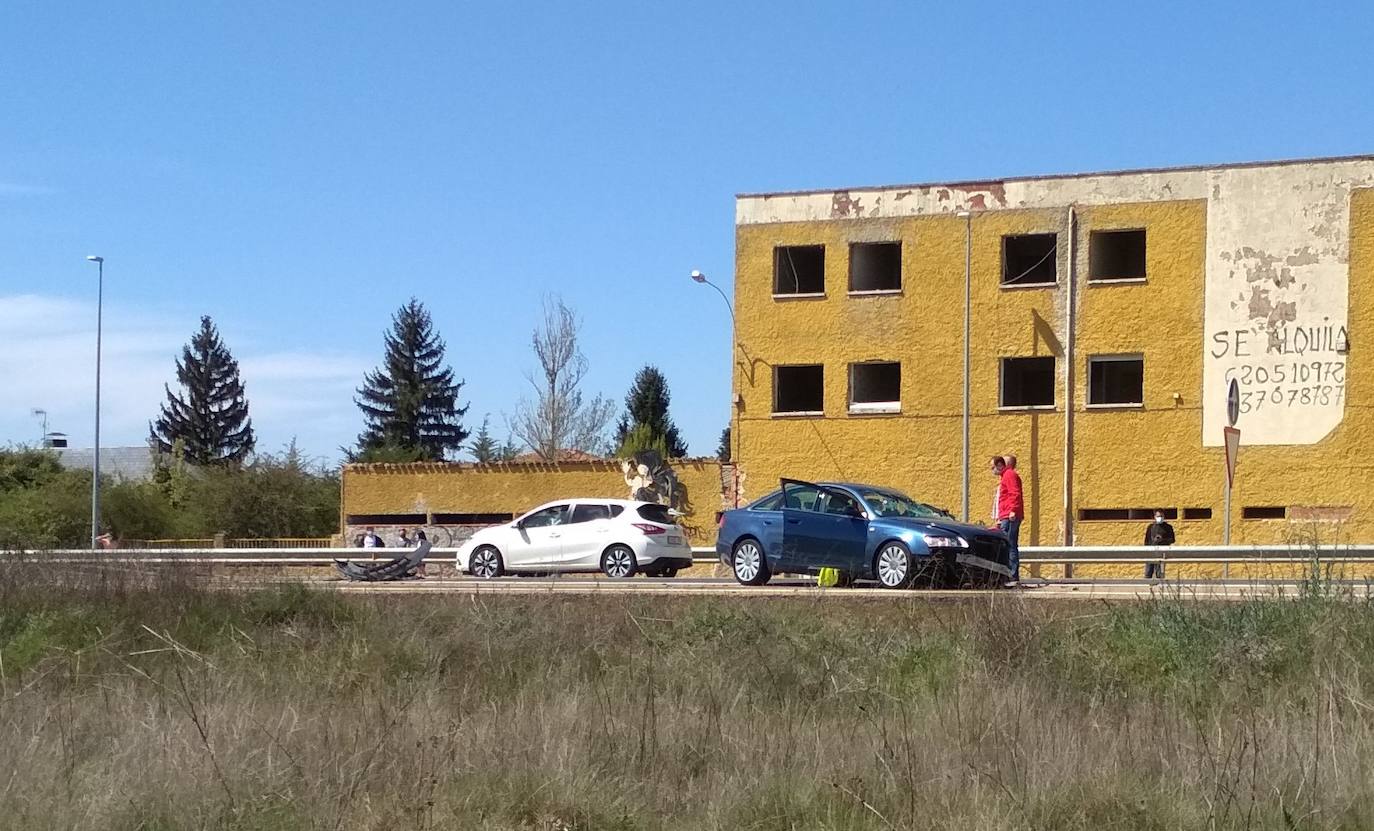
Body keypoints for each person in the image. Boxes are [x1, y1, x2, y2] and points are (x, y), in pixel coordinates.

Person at [992, 455, 1024, 585]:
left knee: (1010, 544)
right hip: (1005, 515)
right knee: (1008, 544)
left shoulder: (1009, 475)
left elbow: (1014, 493)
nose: (992, 470)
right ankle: (1009, 574)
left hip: (1010, 516)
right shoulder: (1006, 476)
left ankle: (1012, 576)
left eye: (993, 467)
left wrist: (1012, 511)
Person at [1143, 509, 1175, 579]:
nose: (1160, 518)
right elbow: (1146, 541)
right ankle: (1148, 588)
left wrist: (1161, 540)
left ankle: (1160, 587)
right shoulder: (1150, 527)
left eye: (1161, 516)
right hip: (1151, 553)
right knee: (1148, 572)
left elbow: (1172, 540)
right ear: (1154, 517)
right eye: (1158, 516)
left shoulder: (1168, 527)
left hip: (1162, 553)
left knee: (1159, 573)